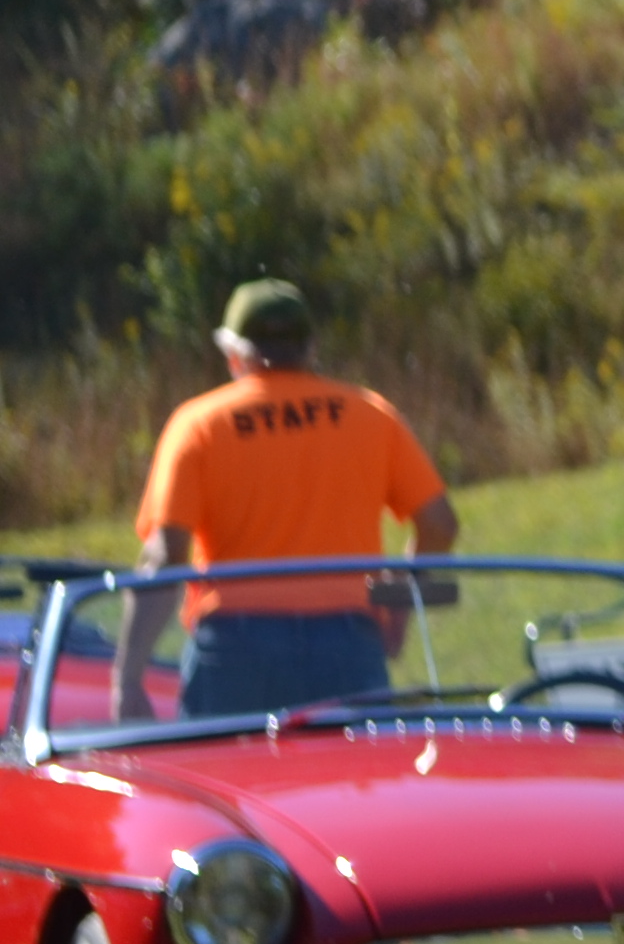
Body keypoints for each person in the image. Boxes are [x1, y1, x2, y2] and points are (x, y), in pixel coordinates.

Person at [109, 279, 460, 722]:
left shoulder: (199, 424)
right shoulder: (372, 414)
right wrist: (399, 608)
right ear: (311, 348)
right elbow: (439, 524)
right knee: (352, 768)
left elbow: (165, 555)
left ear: (233, 354)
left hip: (234, 649)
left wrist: (127, 679)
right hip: (348, 643)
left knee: (224, 767)